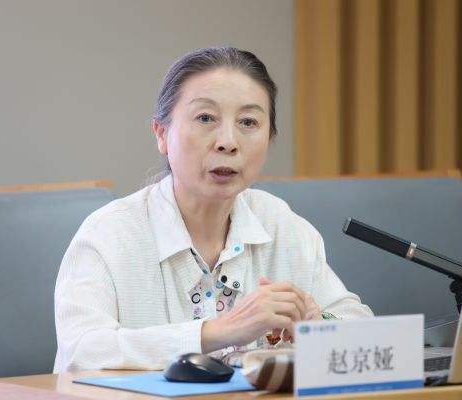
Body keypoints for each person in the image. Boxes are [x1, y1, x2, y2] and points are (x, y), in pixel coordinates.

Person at [53, 47, 372, 373]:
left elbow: (358, 323)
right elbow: (81, 350)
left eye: (248, 122)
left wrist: (319, 324)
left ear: (269, 138)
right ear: (162, 134)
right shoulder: (109, 234)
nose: (228, 142)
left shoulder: (281, 225)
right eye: (205, 118)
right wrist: (217, 332)